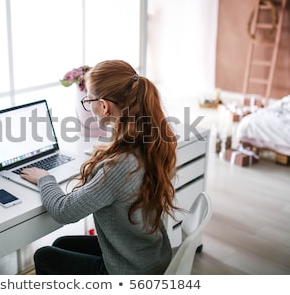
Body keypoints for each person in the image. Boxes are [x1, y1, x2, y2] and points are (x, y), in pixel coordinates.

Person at [20, 59, 178, 275]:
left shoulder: (120, 165)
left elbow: (63, 211)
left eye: (88, 100)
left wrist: (44, 178)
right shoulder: (149, 141)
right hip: (151, 256)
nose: (87, 105)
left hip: (130, 272)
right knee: (61, 243)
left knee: (44, 255)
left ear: (104, 106)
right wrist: (106, 153)